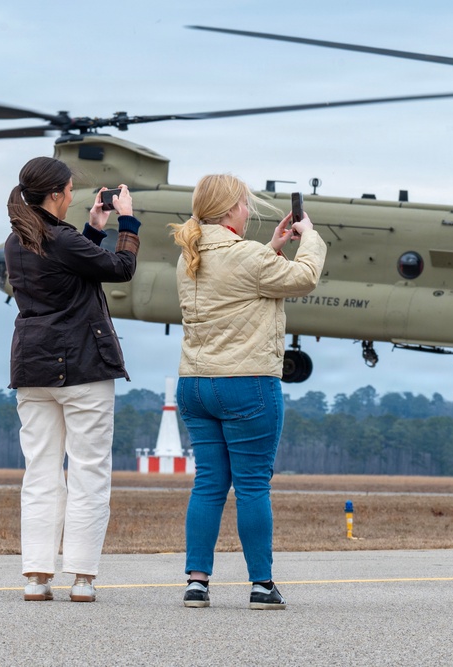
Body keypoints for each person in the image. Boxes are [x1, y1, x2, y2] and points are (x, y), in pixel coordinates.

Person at [170, 174, 326, 610]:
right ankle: (261, 585)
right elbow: (305, 277)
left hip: (196, 384)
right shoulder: (248, 257)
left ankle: (197, 582)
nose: (248, 211)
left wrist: (272, 247)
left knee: (209, 484)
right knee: (253, 486)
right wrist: (308, 237)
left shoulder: (190, 256)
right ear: (228, 209)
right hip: (247, 385)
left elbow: (236, 280)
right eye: (243, 204)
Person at [5, 156, 141, 603]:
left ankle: (36, 577)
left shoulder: (16, 240)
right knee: (88, 471)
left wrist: (92, 230)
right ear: (57, 194)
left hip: (33, 368)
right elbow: (120, 268)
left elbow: (66, 271)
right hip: (83, 367)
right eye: (68, 190)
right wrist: (128, 222)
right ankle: (82, 577)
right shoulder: (59, 239)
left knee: (40, 472)